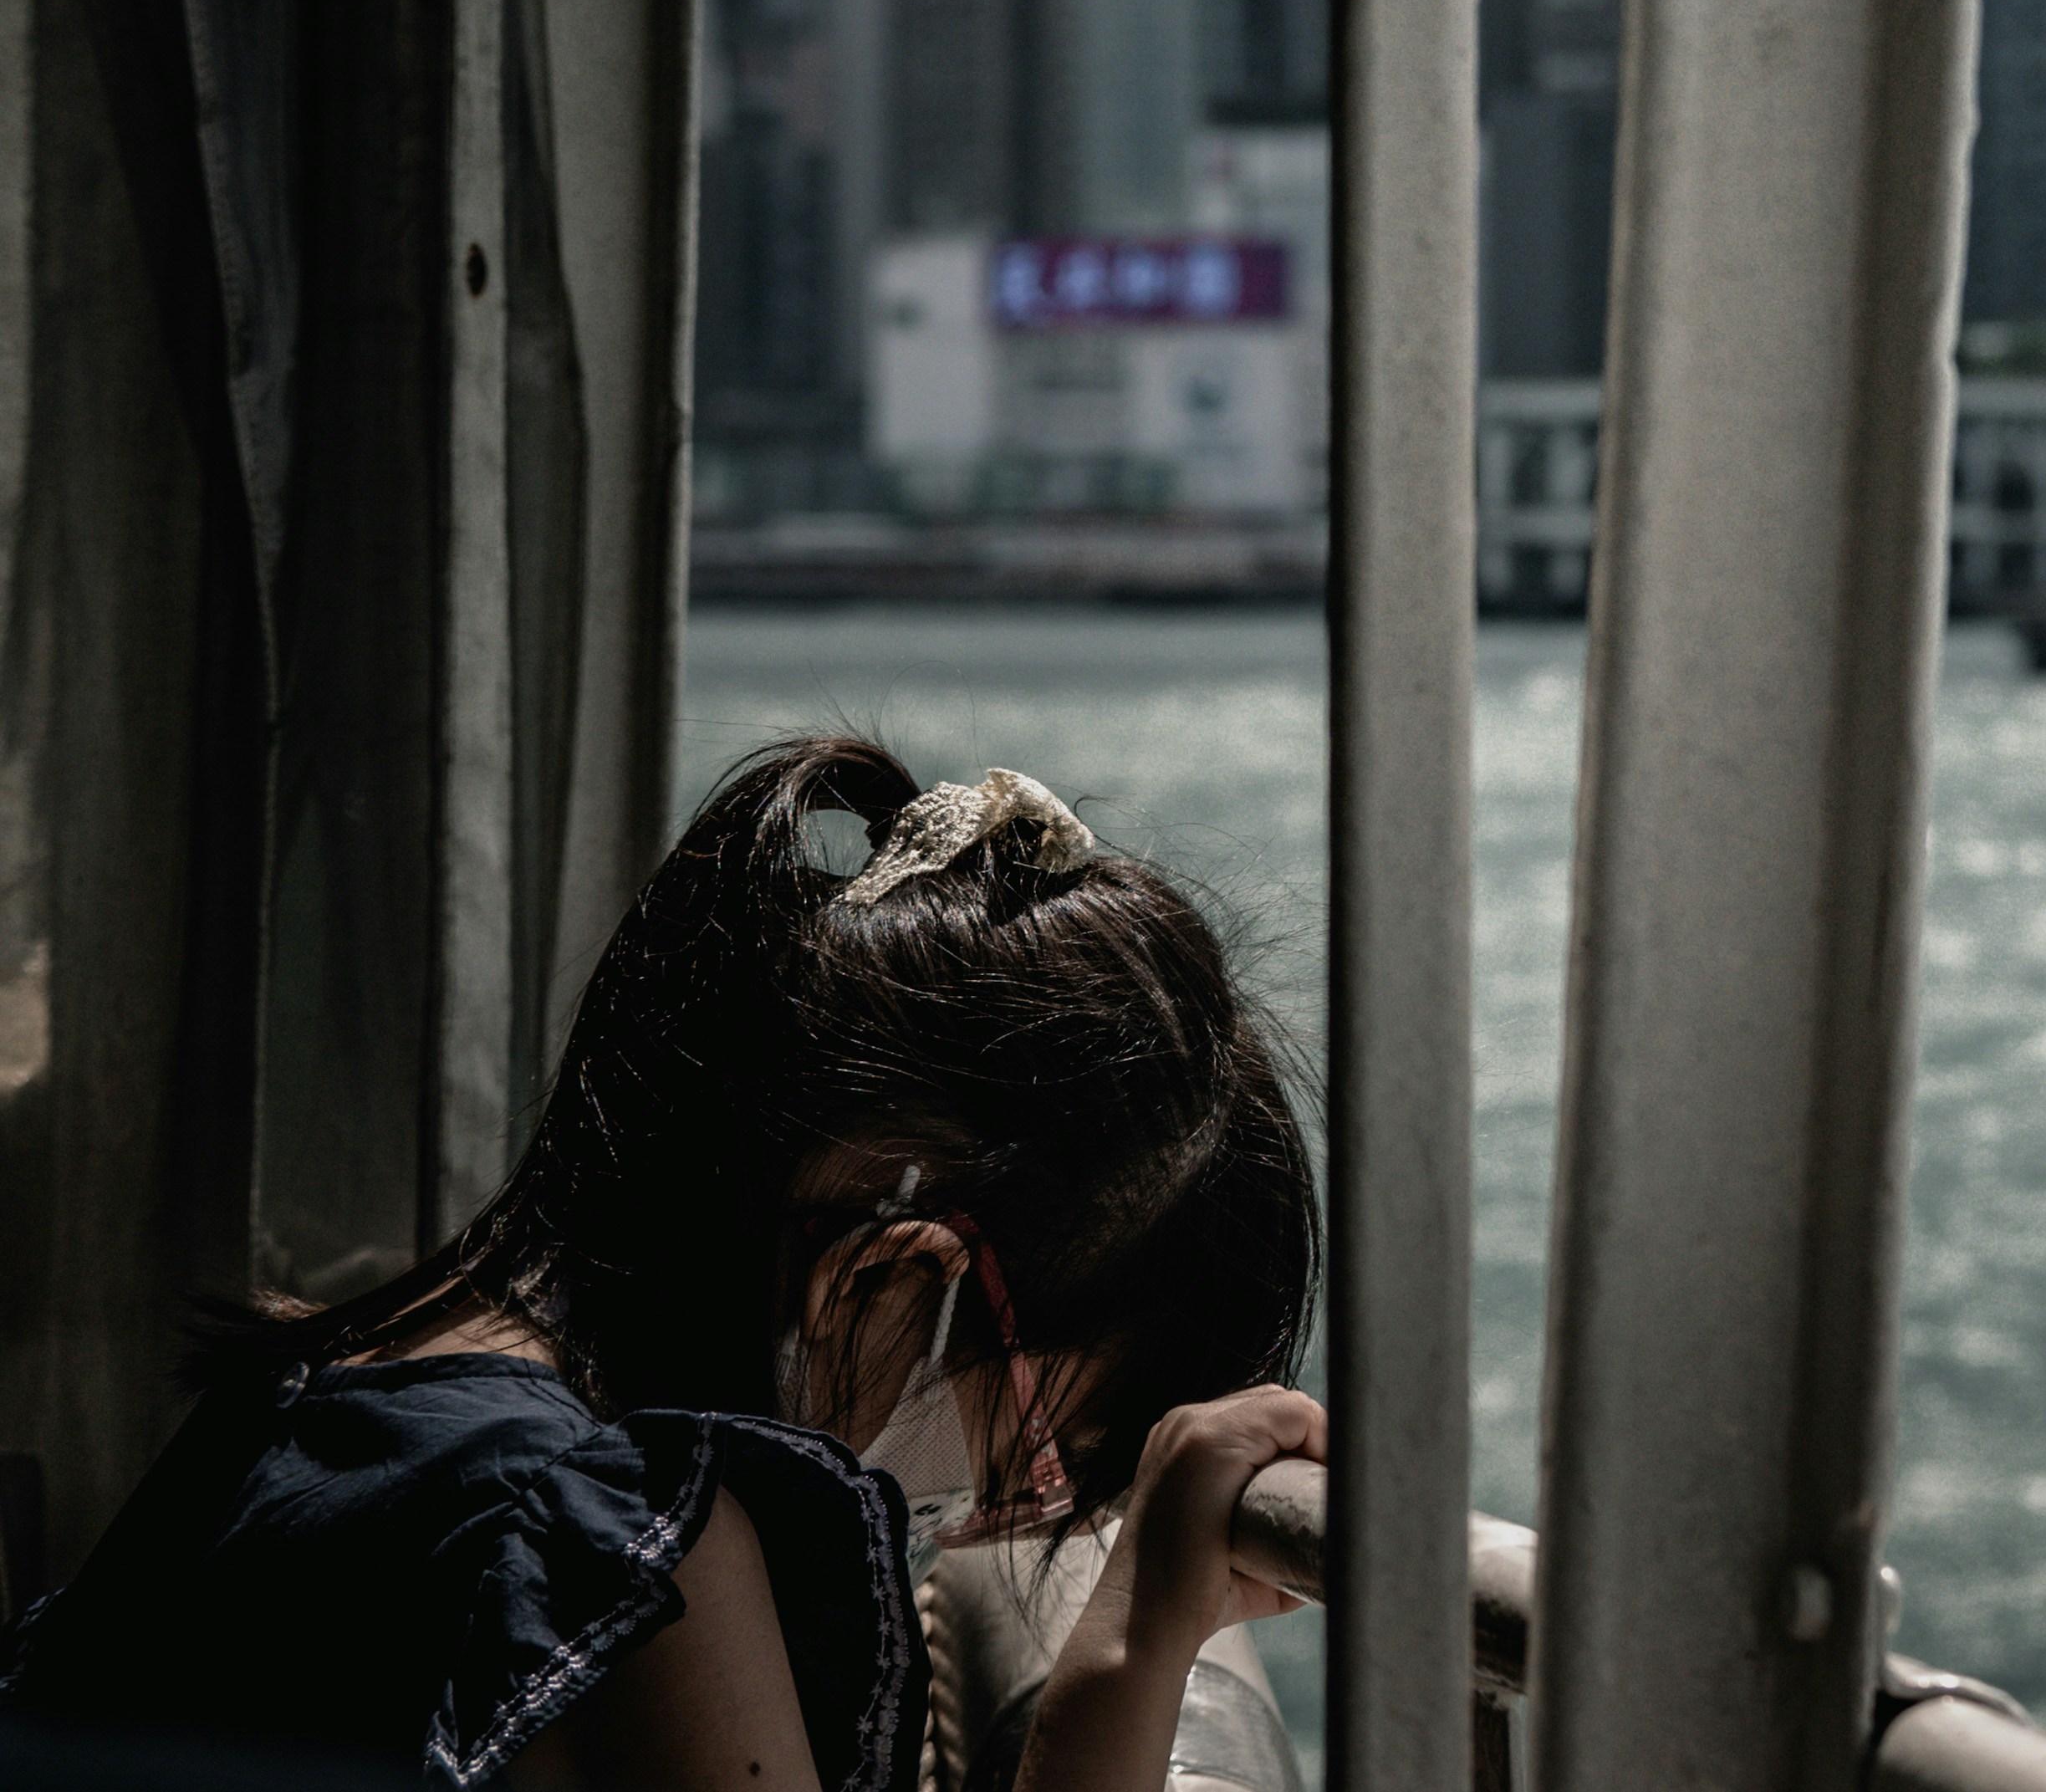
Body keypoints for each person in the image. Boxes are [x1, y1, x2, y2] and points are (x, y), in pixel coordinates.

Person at [0, 736, 1323, 1792]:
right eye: (1042, 1448)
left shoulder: (349, 1386)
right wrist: (1132, 1645)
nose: (1001, 1511)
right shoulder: (636, 1559)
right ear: (891, 1280)